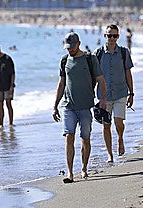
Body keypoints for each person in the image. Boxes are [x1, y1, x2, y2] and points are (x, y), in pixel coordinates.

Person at [52, 32, 107, 183]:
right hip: (68, 106)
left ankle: (84, 168)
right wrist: (55, 105)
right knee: (69, 136)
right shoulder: (64, 61)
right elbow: (61, 84)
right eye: (67, 47)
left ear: (79, 44)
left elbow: (101, 80)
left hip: (85, 107)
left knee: (85, 139)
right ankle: (70, 173)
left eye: (72, 47)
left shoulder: (90, 59)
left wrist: (103, 99)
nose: (70, 50)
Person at [94, 24, 134, 163]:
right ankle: (110, 154)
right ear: (105, 36)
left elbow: (128, 73)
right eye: (109, 35)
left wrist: (132, 93)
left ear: (118, 37)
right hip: (104, 96)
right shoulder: (97, 54)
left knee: (118, 121)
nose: (112, 38)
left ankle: (120, 139)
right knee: (106, 125)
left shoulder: (124, 52)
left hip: (121, 92)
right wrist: (91, 96)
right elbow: (94, 76)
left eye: (115, 36)